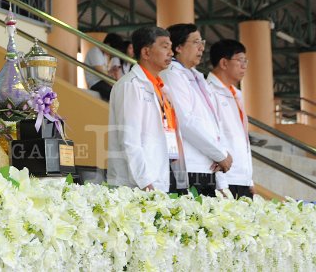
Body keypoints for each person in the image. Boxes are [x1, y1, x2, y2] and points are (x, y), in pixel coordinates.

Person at [107, 27, 187, 192]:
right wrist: (144, 181)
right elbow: (129, 138)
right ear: (146, 52)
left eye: (171, 47)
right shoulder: (130, 85)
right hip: (137, 184)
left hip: (159, 176)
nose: (171, 53)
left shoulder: (161, 87)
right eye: (165, 46)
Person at [160, 24, 232, 196]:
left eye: (202, 42)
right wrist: (219, 154)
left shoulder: (197, 76)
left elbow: (213, 125)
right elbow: (185, 121)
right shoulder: (172, 74)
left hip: (209, 165)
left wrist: (220, 166)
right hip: (190, 166)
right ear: (178, 47)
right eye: (195, 42)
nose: (201, 48)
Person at [208, 39, 254, 198]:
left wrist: (250, 180)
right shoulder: (209, 91)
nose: (244, 65)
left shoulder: (237, 93)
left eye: (245, 61)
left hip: (242, 178)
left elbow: (243, 139)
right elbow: (214, 137)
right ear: (224, 63)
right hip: (226, 179)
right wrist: (221, 183)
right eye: (240, 60)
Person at [84, 32, 123, 101]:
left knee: (118, 92)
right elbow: (103, 74)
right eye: (112, 50)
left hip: (101, 82)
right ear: (108, 45)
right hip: (95, 83)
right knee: (115, 94)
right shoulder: (95, 52)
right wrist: (116, 84)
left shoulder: (104, 55)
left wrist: (111, 71)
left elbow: (104, 73)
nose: (112, 53)